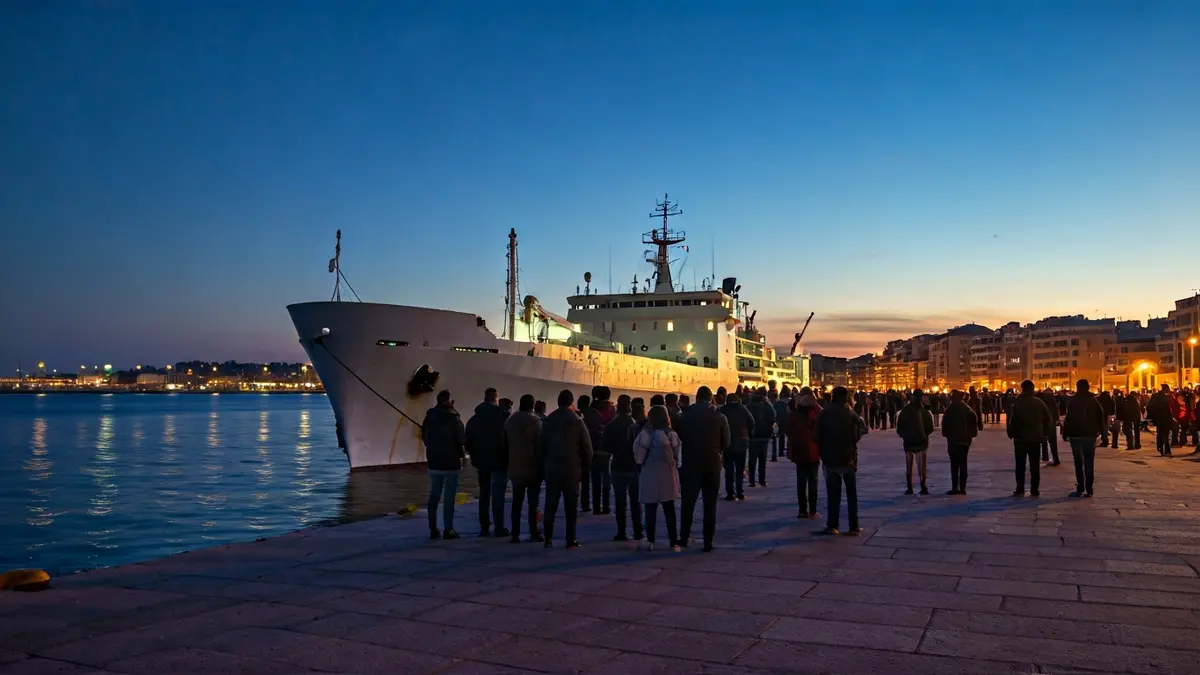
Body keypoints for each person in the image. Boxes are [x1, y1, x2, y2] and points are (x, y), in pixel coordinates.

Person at [676, 386, 730, 552]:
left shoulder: (684, 416)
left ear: (697, 398)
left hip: (691, 462)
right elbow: (726, 442)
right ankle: (708, 541)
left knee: (688, 502)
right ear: (711, 398)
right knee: (710, 504)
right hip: (712, 463)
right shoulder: (720, 416)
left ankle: (684, 537)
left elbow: (678, 438)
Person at [540, 389, 592, 548]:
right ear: (571, 403)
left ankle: (547, 539)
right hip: (571, 468)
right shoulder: (577, 420)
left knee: (550, 505)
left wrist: (545, 464)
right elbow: (587, 447)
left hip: (553, 468)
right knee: (571, 507)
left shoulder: (549, 420)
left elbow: (541, 446)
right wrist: (584, 467)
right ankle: (571, 539)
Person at [815, 386, 866, 535]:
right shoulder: (849, 411)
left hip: (830, 458)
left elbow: (816, 436)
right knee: (851, 494)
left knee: (833, 493)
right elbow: (863, 427)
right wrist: (854, 439)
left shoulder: (824, 412)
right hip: (848, 457)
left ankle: (832, 525)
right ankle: (853, 526)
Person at [633, 404, 682, 551]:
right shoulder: (671, 434)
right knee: (669, 510)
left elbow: (639, 457)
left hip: (650, 474)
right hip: (667, 474)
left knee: (650, 508)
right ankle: (673, 541)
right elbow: (678, 456)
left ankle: (650, 540)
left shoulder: (645, 434)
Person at [465, 387, 509, 538]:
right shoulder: (503, 418)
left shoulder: (474, 420)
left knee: (484, 496)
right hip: (499, 462)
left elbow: (468, 442)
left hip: (481, 463)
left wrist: (475, 457)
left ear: (484, 399)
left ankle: (484, 527)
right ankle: (499, 527)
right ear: (496, 399)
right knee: (498, 497)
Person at [422, 389, 465, 540]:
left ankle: (433, 529)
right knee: (449, 498)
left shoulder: (430, 417)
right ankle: (449, 529)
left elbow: (425, 438)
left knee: (434, 496)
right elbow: (461, 439)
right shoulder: (454, 418)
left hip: (434, 462)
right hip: (451, 463)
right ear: (449, 400)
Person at [505, 394, 543, 542]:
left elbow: (505, 444)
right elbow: (540, 447)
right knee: (533, 503)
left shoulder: (510, 422)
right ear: (532, 406)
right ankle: (534, 532)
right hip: (533, 467)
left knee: (517, 502)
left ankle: (515, 534)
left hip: (515, 466)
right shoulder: (536, 422)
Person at [605, 395, 643, 541]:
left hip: (617, 466)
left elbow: (606, 448)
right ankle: (638, 530)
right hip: (633, 467)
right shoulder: (635, 425)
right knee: (635, 501)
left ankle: (621, 532)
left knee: (620, 502)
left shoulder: (611, 425)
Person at [1007, 380, 1054, 497]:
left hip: (1020, 438)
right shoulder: (1039, 403)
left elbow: (1011, 420)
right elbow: (1048, 419)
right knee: (1034, 465)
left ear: (1022, 389)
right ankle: (1034, 489)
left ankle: (1020, 488)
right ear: (1032, 389)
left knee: (1020, 465)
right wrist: (1045, 434)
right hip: (1035, 438)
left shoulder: (1017, 402)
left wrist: (1011, 433)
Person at [1062, 379, 1105, 498]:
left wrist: (1065, 433)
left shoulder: (1073, 401)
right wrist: (1103, 433)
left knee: (1078, 462)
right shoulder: (1093, 400)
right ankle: (1089, 488)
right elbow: (1100, 416)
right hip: (1090, 435)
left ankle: (1080, 486)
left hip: (1075, 435)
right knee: (1089, 462)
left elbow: (1068, 419)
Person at [787, 387, 822, 518]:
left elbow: (788, 430)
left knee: (801, 481)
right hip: (813, 451)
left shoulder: (794, 414)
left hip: (798, 450)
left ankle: (802, 510)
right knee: (813, 481)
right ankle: (813, 511)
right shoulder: (817, 412)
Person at [940, 390, 978, 495]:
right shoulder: (967, 410)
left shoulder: (949, 410)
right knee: (963, 463)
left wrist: (947, 434)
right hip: (964, 441)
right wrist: (970, 436)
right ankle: (963, 488)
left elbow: (944, 428)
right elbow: (974, 428)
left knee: (954, 465)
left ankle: (955, 487)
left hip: (953, 441)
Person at [896, 390, 934, 495]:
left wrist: (903, 435)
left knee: (909, 465)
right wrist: (924, 434)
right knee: (921, 465)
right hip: (921, 442)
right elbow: (930, 428)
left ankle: (910, 487)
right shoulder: (924, 411)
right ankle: (923, 486)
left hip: (908, 442)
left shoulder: (905, 410)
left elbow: (899, 426)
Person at [583, 386, 613, 515]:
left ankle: (595, 506)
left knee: (595, 479)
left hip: (593, 449)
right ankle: (606, 505)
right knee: (606, 477)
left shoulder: (590, 411)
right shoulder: (612, 410)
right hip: (607, 449)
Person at [719, 392, 754, 501]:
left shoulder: (722, 410)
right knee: (740, 469)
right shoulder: (742, 409)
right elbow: (751, 421)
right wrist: (749, 434)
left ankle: (730, 493)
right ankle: (740, 492)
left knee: (729, 469)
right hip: (741, 443)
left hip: (727, 444)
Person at [746, 392, 776, 487]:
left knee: (752, 460)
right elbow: (774, 416)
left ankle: (752, 481)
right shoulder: (766, 407)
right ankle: (762, 480)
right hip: (764, 436)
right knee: (762, 460)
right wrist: (768, 403)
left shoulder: (748, 408)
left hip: (752, 437)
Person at [1146, 384, 1175, 457]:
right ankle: (1166, 450)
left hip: (1158, 419)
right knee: (1165, 434)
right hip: (1165, 418)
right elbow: (1170, 410)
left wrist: (1152, 417)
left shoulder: (1155, 397)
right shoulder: (1166, 398)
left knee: (1160, 434)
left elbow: (1149, 406)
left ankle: (1161, 449)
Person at [1038, 387, 1062, 466]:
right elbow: (1055, 410)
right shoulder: (1052, 399)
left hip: (1042, 422)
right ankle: (1056, 459)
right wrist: (1056, 419)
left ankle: (1045, 457)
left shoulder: (1040, 398)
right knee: (1053, 442)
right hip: (1051, 422)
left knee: (1043, 440)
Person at [770, 390, 790, 461]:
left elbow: (775, 413)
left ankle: (780, 451)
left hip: (779, 421)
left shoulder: (777, 404)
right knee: (785, 436)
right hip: (784, 421)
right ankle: (782, 451)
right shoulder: (785, 404)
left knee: (781, 436)